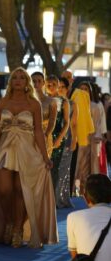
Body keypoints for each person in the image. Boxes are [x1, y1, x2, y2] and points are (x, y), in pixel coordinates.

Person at [0, 67, 58, 249]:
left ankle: (18, 229)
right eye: (15, 77)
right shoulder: (2, 102)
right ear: (11, 81)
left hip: (28, 150)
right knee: (4, 189)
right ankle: (8, 222)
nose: (19, 80)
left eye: (22, 77)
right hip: (5, 149)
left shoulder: (34, 104)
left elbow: (38, 131)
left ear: (26, 82)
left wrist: (45, 157)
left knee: (21, 190)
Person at [55, 77, 77, 208]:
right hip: (52, 140)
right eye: (58, 86)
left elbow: (74, 124)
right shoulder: (51, 102)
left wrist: (74, 140)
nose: (59, 89)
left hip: (66, 139)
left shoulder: (72, 104)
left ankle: (60, 198)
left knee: (63, 170)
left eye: (62, 87)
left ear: (67, 89)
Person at [46, 75, 70, 192]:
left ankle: (52, 200)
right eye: (48, 85)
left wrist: (59, 138)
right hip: (44, 137)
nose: (51, 87)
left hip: (56, 137)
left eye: (54, 85)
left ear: (58, 86)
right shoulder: (40, 100)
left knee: (53, 169)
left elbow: (66, 123)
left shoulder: (64, 101)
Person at [74, 82, 96, 195]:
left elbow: (98, 124)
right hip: (77, 139)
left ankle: (85, 191)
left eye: (85, 89)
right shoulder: (75, 103)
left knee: (86, 168)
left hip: (91, 140)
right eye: (81, 88)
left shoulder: (94, 106)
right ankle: (75, 191)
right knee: (77, 167)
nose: (83, 91)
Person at [32, 72, 57, 157]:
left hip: (45, 136)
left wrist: (46, 135)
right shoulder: (26, 101)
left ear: (43, 83)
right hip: (28, 137)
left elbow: (52, 120)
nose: (36, 84)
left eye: (39, 81)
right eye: (34, 81)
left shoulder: (51, 101)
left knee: (43, 165)